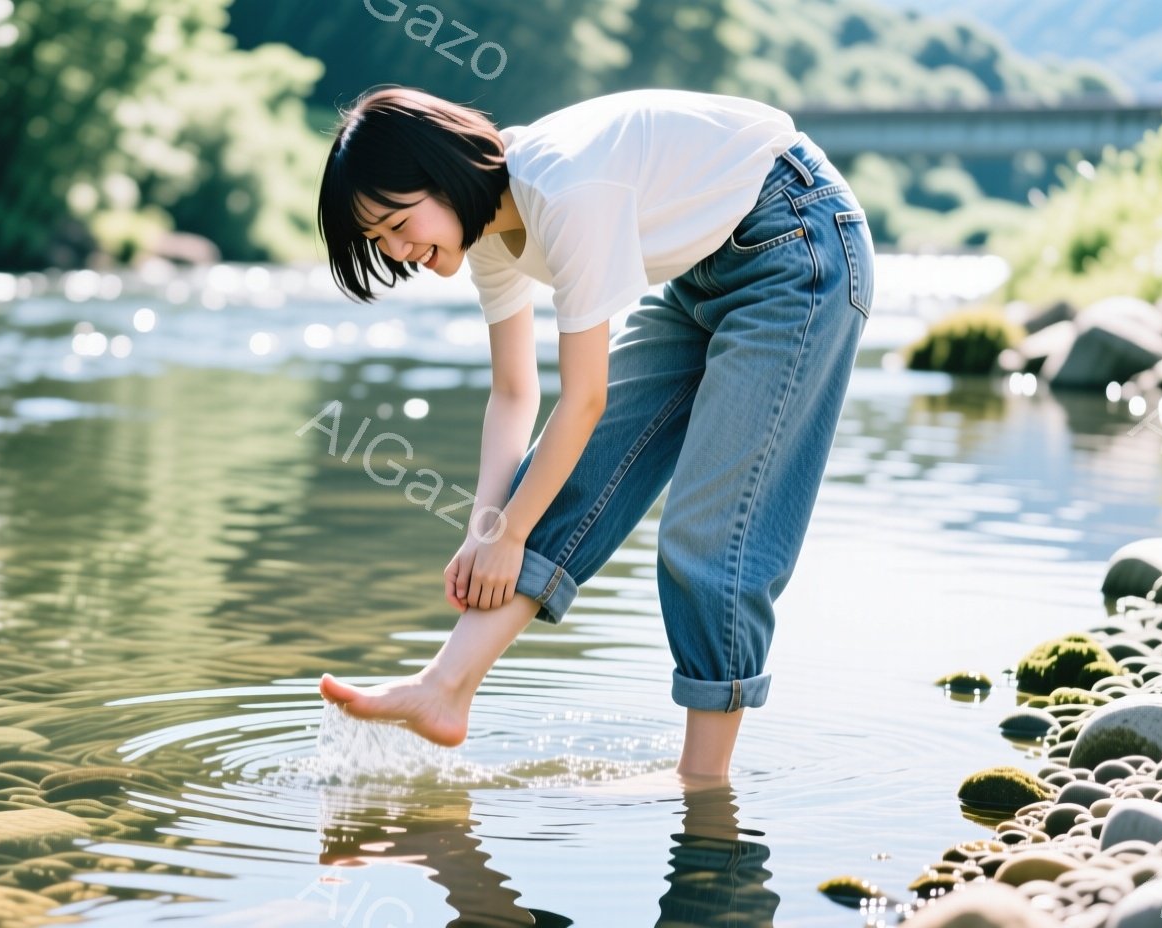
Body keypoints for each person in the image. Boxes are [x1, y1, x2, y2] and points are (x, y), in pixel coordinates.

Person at [313, 85, 873, 781]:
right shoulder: (488, 227)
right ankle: (446, 687)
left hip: (797, 241)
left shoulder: (563, 187)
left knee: (706, 534)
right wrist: (488, 526)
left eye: (399, 222)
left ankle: (704, 788)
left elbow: (583, 399)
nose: (399, 252)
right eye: (380, 241)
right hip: (704, 271)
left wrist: (511, 533)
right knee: (553, 483)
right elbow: (515, 393)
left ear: (444, 171)